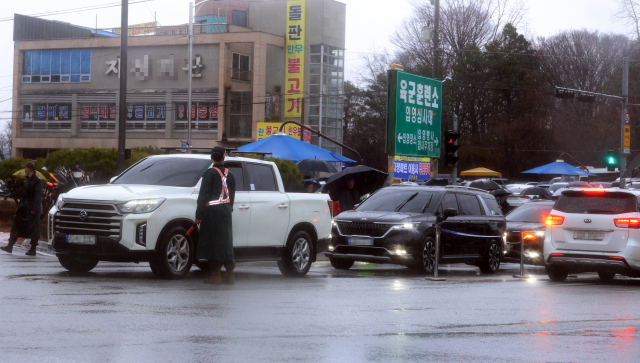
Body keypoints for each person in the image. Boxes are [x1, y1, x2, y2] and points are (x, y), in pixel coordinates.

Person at [195, 146, 236, 285]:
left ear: (212, 158)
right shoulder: (230, 174)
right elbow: (232, 196)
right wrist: (228, 209)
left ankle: (216, 274)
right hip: (226, 211)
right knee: (226, 242)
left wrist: (199, 215)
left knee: (213, 243)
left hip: (212, 212)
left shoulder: (209, 174)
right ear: (223, 157)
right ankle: (230, 274)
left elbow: (203, 196)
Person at [1, 161, 43, 256]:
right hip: (23, 206)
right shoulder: (26, 179)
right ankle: (10, 246)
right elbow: (23, 192)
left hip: (31, 206)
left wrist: (35, 208)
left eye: (25, 168)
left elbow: (38, 196)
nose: (24, 170)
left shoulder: (38, 181)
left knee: (34, 227)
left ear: (28, 169)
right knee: (16, 224)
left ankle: (33, 249)